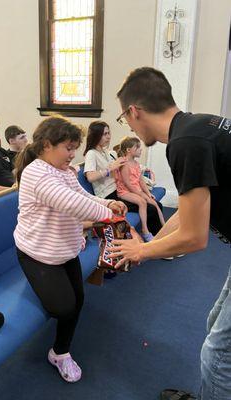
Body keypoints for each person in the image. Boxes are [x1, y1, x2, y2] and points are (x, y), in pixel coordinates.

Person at [108, 66, 231, 400]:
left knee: (218, 355)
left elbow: (194, 235)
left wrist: (141, 252)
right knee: (217, 322)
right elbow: (189, 215)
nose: (129, 127)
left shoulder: (185, 143)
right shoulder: (197, 126)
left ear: (134, 111)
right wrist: (151, 241)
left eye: (125, 119)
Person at [13, 115, 126, 383]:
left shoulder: (63, 170)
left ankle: (60, 352)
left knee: (77, 301)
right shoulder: (36, 173)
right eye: (68, 147)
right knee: (62, 308)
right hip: (37, 253)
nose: (73, 153)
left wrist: (105, 204)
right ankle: (41, 288)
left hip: (65, 248)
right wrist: (108, 215)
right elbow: (71, 204)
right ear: (46, 146)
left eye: (75, 147)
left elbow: (81, 196)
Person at [83, 120, 164, 236]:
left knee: (155, 204)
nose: (108, 136)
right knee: (151, 208)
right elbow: (90, 177)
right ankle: (156, 238)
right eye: (105, 134)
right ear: (96, 135)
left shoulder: (107, 152)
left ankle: (159, 236)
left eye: (109, 133)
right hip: (108, 194)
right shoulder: (92, 153)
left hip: (119, 189)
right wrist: (110, 168)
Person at [115, 136, 165, 242]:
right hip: (125, 192)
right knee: (142, 202)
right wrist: (140, 194)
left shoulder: (137, 164)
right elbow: (127, 184)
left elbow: (141, 181)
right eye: (137, 147)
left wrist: (147, 193)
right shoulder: (124, 165)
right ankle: (145, 230)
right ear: (129, 150)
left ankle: (164, 229)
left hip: (136, 191)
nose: (140, 149)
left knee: (154, 203)